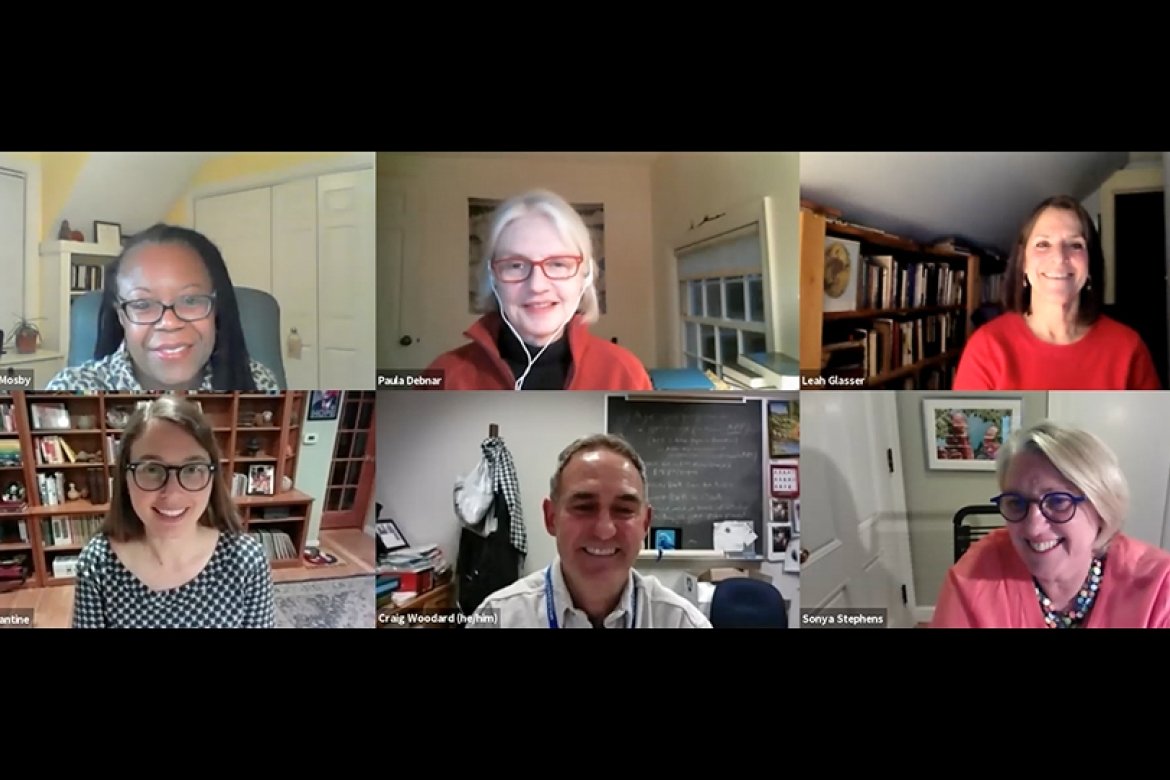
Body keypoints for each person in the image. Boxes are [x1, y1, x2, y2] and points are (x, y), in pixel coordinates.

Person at [932, 420, 1170, 628]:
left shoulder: (1160, 586)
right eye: (1016, 502)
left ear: (1101, 507)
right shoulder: (972, 579)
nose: (1033, 528)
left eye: (1058, 501)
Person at [71, 395, 275, 628]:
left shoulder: (246, 561)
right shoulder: (98, 563)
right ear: (125, 477)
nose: (173, 493)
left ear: (212, 476)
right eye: (152, 469)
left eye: (192, 469)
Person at [467, 434, 710, 628]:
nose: (604, 530)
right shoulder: (497, 619)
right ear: (551, 518)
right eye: (584, 507)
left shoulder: (682, 622)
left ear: (645, 524)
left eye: (624, 509)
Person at [427, 190, 653, 390]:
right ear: (493, 278)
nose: (536, 286)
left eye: (558, 264)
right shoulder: (445, 376)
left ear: (584, 276)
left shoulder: (624, 373)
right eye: (516, 265)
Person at [953, 195, 1160, 390]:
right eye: (1043, 244)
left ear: (1090, 263)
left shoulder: (1129, 347)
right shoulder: (986, 348)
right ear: (1023, 262)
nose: (1059, 257)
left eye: (1075, 245)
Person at [46, 224, 281, 392]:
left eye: (190, 300)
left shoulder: (258, 382)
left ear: (216, 308)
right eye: (142, 304)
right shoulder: (70, 388)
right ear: (121, 317)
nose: (169, 323)